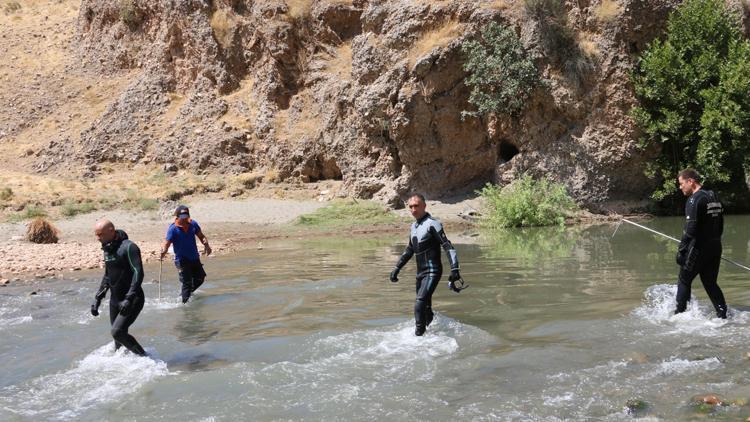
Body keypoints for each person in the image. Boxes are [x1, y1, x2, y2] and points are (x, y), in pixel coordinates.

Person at [390, 193, 461, 336]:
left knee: (419, 303)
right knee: (425, 308)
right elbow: (410, 250)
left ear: (424, 206)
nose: (413, 210)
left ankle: (418, 336)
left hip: (433, 271)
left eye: (416, 206)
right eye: (410, 207)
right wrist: (397, 268)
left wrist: (455, 269)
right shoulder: (413, 226)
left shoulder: (433, 223)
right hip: (420, 273)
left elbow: (448, 246)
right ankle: (432, 332)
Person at [674, 169, 727, 318]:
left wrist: (682, 250)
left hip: (699, 248)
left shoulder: (694, 199)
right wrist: (714, 242)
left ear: (690, 181)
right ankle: (722, 316)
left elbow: (690, 228)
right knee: (710, 282)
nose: (680, 187)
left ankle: (679, 316)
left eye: (681, 183)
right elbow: (721, 223)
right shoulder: (713, 196)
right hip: (715, 246)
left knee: (684, 279)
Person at [90, 219, 147, 356]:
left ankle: (146, 358)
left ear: (111, 231)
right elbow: (108, 276)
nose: (98, 238)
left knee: (117, 332)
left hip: (133, 299)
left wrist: (129, 297)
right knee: (118, 341)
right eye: (96, 235)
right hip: (115, 301)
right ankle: (127, 368)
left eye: (100, 235)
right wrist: (98, 297)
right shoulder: (107, 248)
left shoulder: (129, 247)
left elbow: (138, 273)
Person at [160, 205, 212, 303]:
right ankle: (184, 304)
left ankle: (186, 294)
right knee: (186, 283)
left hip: (194, 257)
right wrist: (164, 251)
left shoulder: (193, 224)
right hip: (182, 260)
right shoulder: (173, 229)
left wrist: (207, 245)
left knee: (200, 278)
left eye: (186, 216)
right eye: (182, 217)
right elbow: (167, 242)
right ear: (177, 216)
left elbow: (201, 236)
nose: (185, 219)